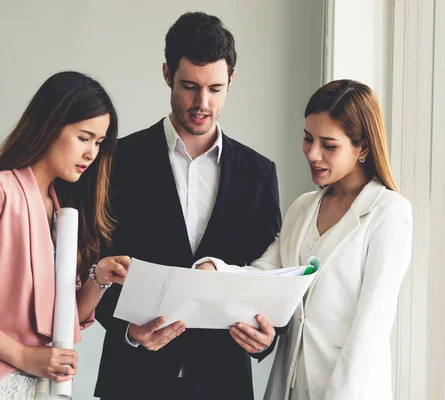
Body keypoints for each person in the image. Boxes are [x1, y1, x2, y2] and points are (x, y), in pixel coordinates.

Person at [94, 11, 282, 400]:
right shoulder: (116, 159)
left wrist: (268, 336)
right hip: (132, 379)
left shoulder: (260, 173)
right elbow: (93, 265)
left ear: (232, 79)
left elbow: (269, 272)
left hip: (224, 383)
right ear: (166, 74)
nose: (203, 103)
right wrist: (128, 330)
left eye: (215, 88)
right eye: (189, 87)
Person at [197, 79, 413, 400]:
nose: (313, 154)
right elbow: (268, 276)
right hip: (290, 385)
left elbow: (371, 325)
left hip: (347, 389)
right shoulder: (302, 207)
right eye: (307, 139)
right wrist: (215, 271)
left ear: (363, 147)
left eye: (329, 145)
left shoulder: (388, 212)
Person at [0, 71, 131, 400]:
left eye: (99, 143)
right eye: (84, 137)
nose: (91, 153)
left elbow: (61, 315)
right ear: (50, 124)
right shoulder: (4, 193)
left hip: (40, 387)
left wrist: (100, 278)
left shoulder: (62, 211)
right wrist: (25, 356)